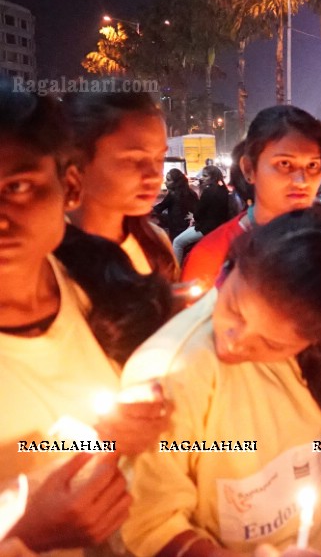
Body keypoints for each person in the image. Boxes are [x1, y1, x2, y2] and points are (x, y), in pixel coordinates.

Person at [120, 205, 321, 557]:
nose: (234, 340)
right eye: (235, 309)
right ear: (231, 267)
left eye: (271, 344)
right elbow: (151, 523)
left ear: (318, 340)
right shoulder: (173, 371)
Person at [0, 89, 171, 553]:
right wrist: (24, 536)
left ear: (69, 186)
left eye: (16, 187)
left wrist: (120, 434)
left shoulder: (100, 289)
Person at [180, 106, 321, 287]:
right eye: (284, 164)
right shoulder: (212, 256)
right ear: (249, 169)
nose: (301, 180)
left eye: (312, 165)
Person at [64, 90, 177, 280]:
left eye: (159, 158)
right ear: (77, 162)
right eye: (134, 160)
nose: (154, 176)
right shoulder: (44, 262)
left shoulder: (154, 244)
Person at [172, 165, 231, 263]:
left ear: (213, 177)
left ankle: (175, 273)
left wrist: (193, 217)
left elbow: (199, 213)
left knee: (177, 242)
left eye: (205, 176)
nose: (202, 178)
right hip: (220, 227)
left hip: (206, 229)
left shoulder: (208, 191)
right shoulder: (224, 190)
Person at [153, 168, 198, 241]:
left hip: (176, 228)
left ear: (176, 182)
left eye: (168, 180)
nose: (166, 182)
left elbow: (159, 208)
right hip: (190, 228)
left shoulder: (173, 194)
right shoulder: (192, 193)